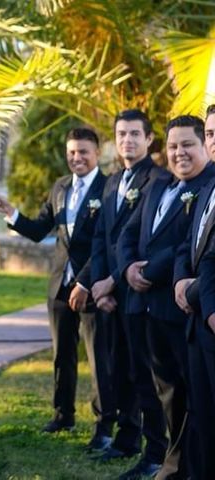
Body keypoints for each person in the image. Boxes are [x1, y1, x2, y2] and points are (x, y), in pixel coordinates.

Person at [0, 128, 112, 439]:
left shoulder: (109, 187)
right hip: (59, 285)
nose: (77, 158)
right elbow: (39, 229)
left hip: (91, 286)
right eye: (72, 152)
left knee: (99, 357)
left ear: (96, 153)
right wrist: (12, 214)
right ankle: (63, 415)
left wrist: (86, 282)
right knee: (62, 354)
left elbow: (106, 244)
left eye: (83, 151)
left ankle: (103, 424)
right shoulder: (60, 187)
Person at [117, 115, 215, 479]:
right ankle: (158, 456)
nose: (179, 152)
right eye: (173, 146)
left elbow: (186, 245)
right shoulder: (159, 185)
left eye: (187, 144)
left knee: (187, 396)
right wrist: (127, 268)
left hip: (181, 307)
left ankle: (178, 466)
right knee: (156, 389)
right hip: (146, 306)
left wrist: (150, 272)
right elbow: (129, 232)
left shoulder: (208, 185)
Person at [90, 110, 168, 477]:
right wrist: (98, 283)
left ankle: (156, 449)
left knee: (145, 376)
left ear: (149, 139)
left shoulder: (160, 179)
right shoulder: (111, 182)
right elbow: (102, 238)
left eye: (135, 134)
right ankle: (126, 438)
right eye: (121, 134)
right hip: (109, 293)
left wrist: (114, 281)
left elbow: (143, 242)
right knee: (117, 369)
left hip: (137, 295)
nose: (127, 141)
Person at [173, 105, 215, 480]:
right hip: (198, 325)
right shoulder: (207, 190)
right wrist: (180, 283)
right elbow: (191, 246)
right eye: (213, 134)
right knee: (203, 419)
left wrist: (195, 289)